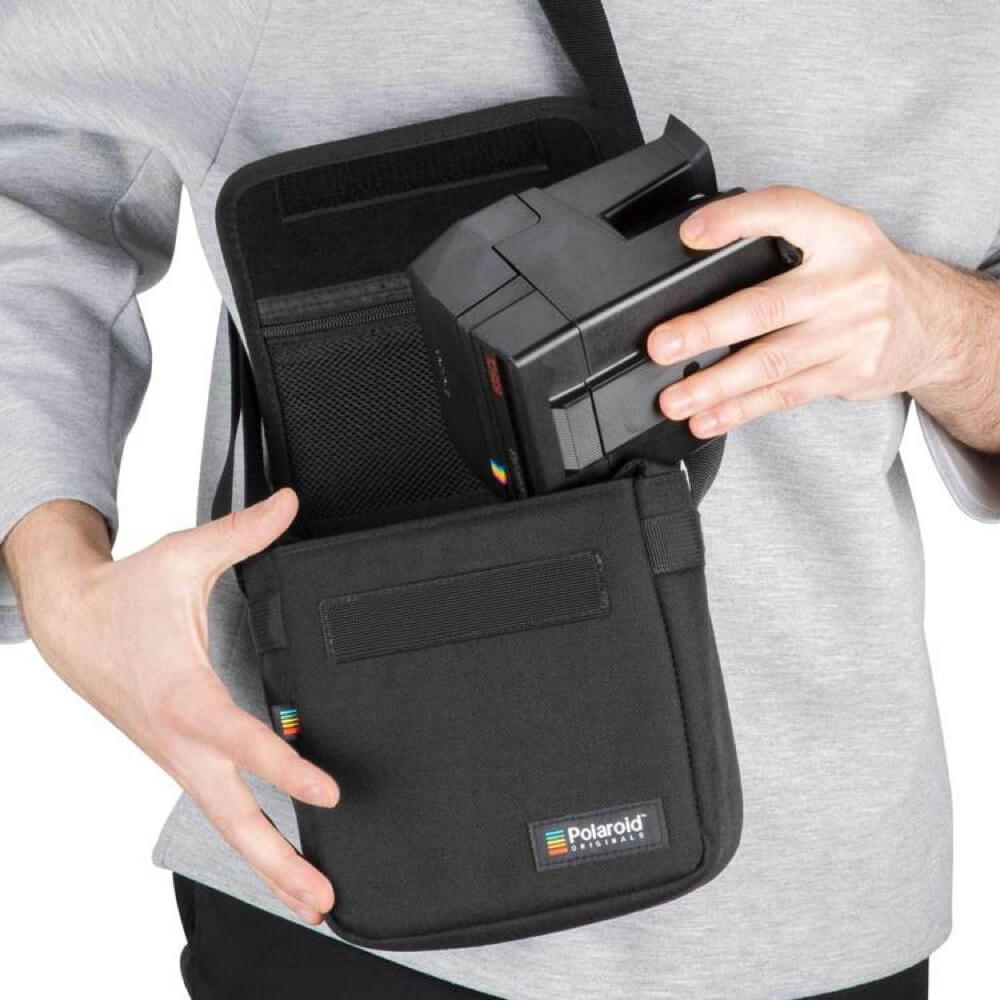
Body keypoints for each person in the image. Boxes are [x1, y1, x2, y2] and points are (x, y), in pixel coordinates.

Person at [2, 2, 998, 998]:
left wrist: (941, 328)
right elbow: (25, 163)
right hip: (362, 891)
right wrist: (58, 577)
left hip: (826, 912)